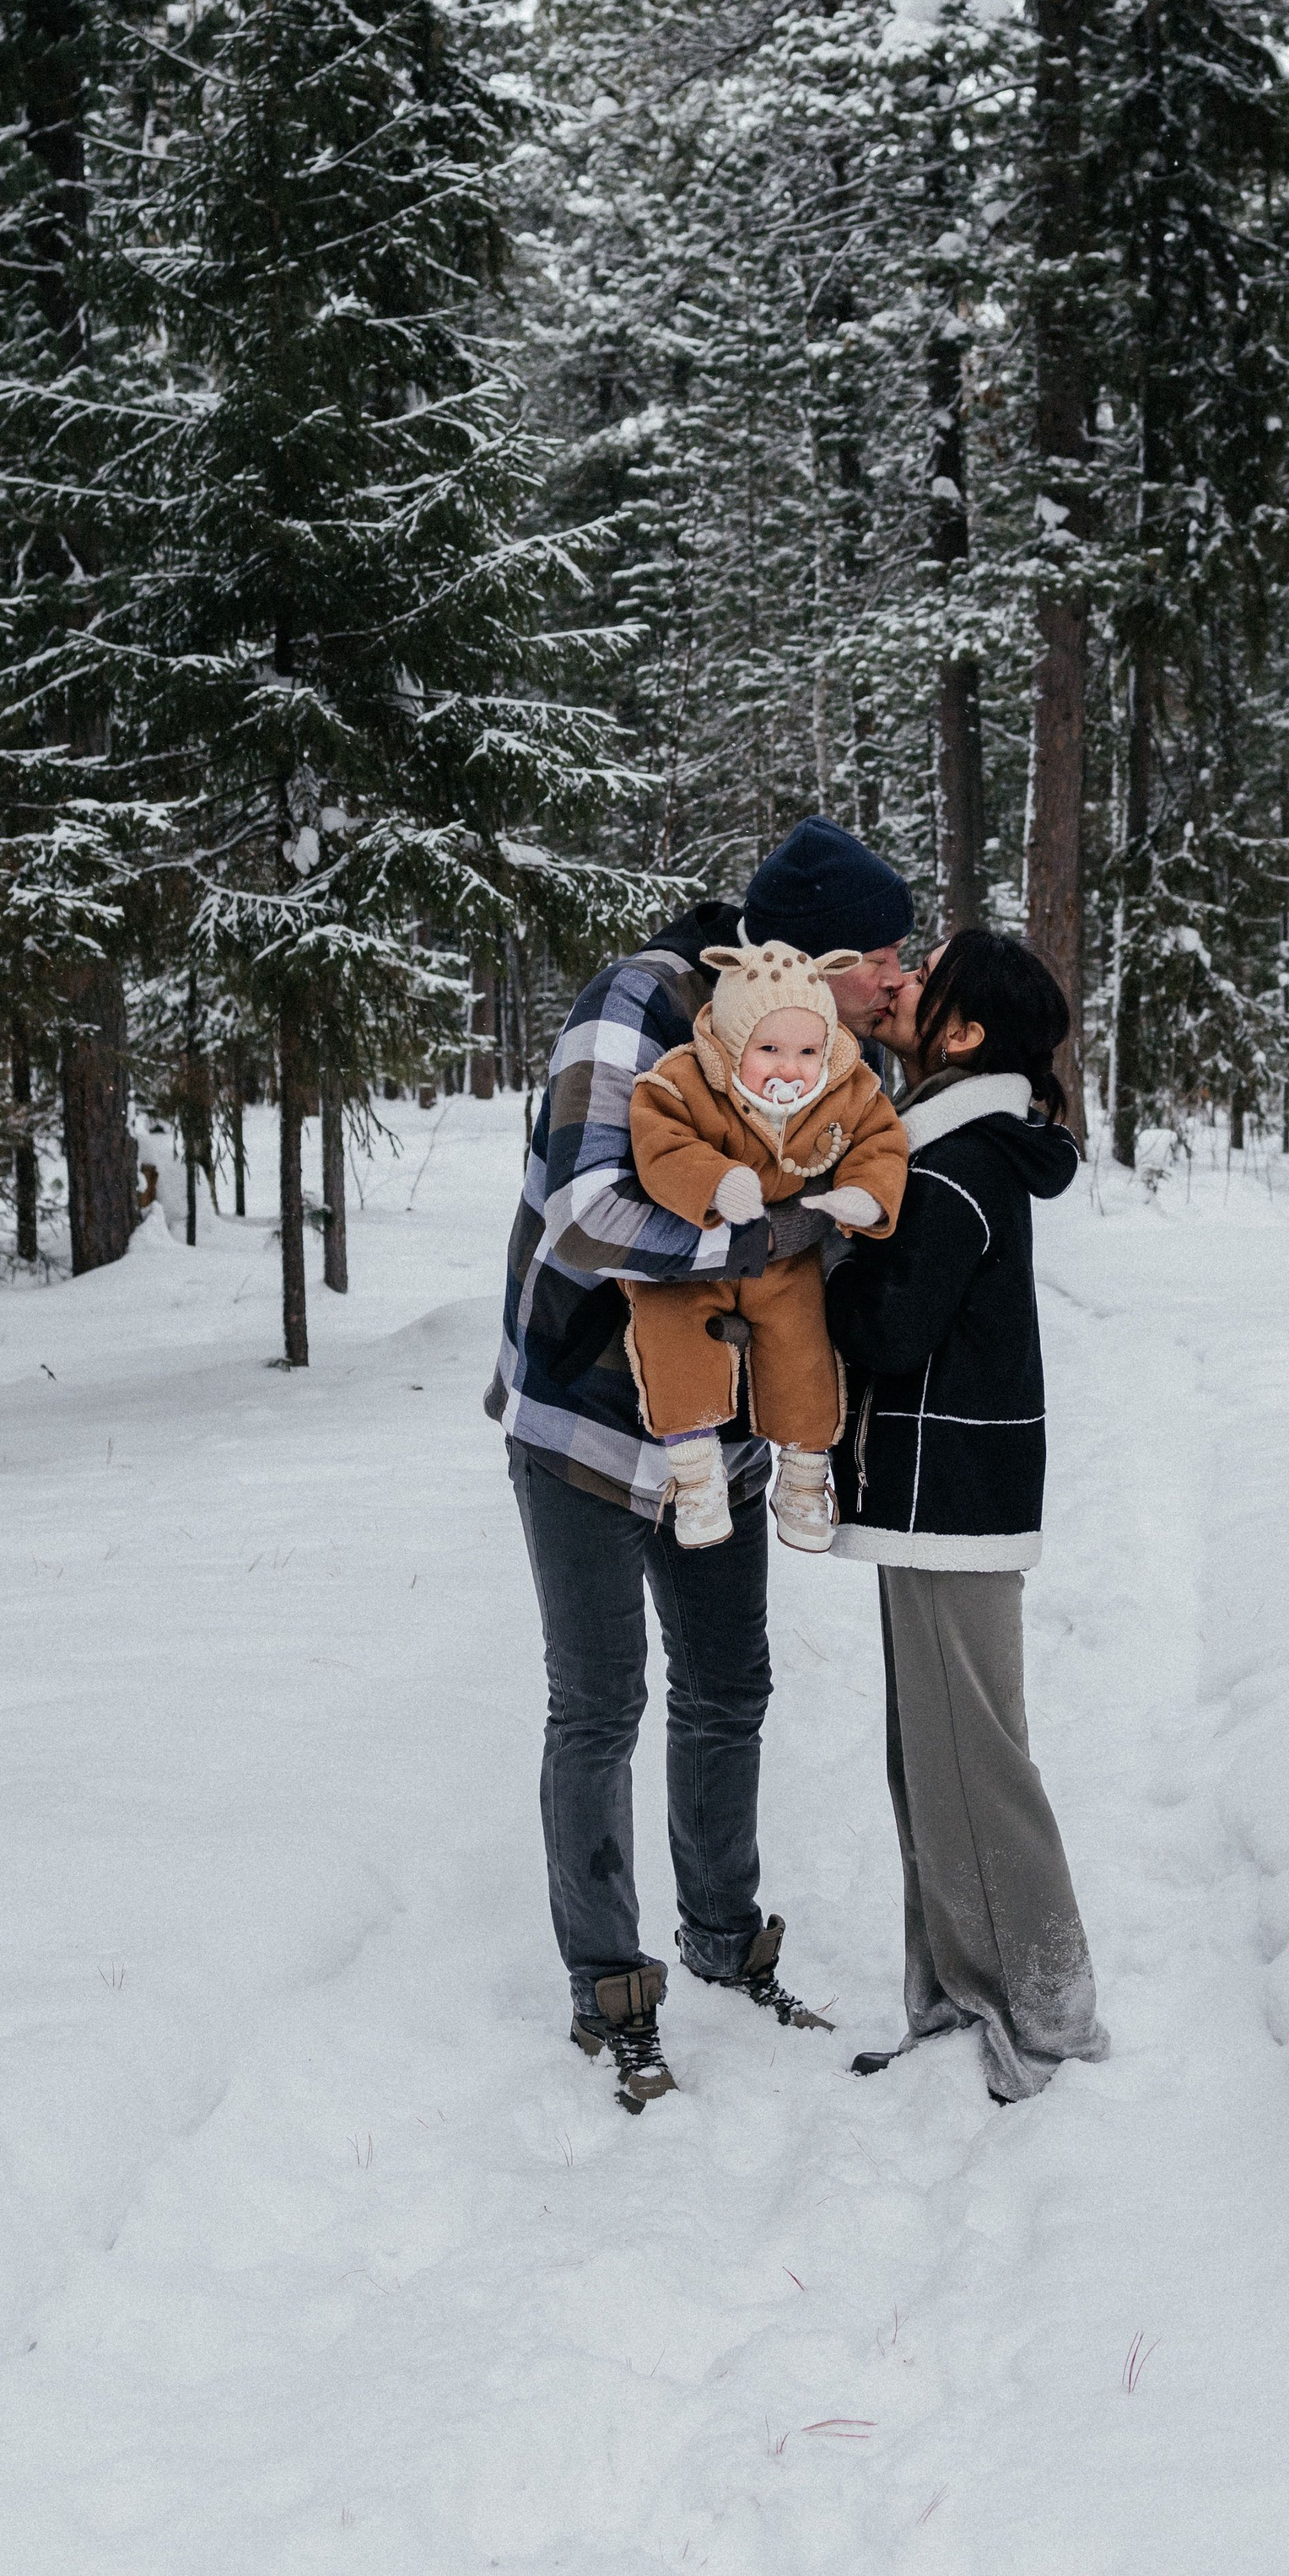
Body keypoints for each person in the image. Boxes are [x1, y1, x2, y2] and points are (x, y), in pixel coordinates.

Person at [488, 816, 914, 2115]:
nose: (892, 986)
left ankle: (725, 1938)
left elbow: (866, 1199)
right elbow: (587, 1210)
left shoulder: (835, 1055)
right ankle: (609, 1986)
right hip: (586, 1418)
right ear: (816, 953)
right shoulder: (638, 1005)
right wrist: (779, 1239)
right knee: (600, 1704)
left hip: (717, 1434)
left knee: (730, 1688)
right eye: (880, 962)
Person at [824, 929, 1109, 2104]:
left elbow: (891, 1332)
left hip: (951, 1497)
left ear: (966, 1031)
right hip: (941, 1494)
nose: (901, 984)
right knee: (933, 1761)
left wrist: (828, 1261)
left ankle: (1045, 2022)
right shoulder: (956, 1140)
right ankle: (956, 1996)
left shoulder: (950, 1163)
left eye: (925, 978)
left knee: (972, 1760)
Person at [624, 938, 908, 1550]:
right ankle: (695, 1478)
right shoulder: (685, 1080)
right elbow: (659, 1142)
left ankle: (803, 1480)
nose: (791, 1068)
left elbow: (880, 1140)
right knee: (673, 1342)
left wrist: (865, 1193)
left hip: (786, 1265)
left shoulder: (844, 1087)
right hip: (693, 1254)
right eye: (770, 1049)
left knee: (804, 1348)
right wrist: (715, 1180)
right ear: (731, 1042)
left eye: (808, 1050)